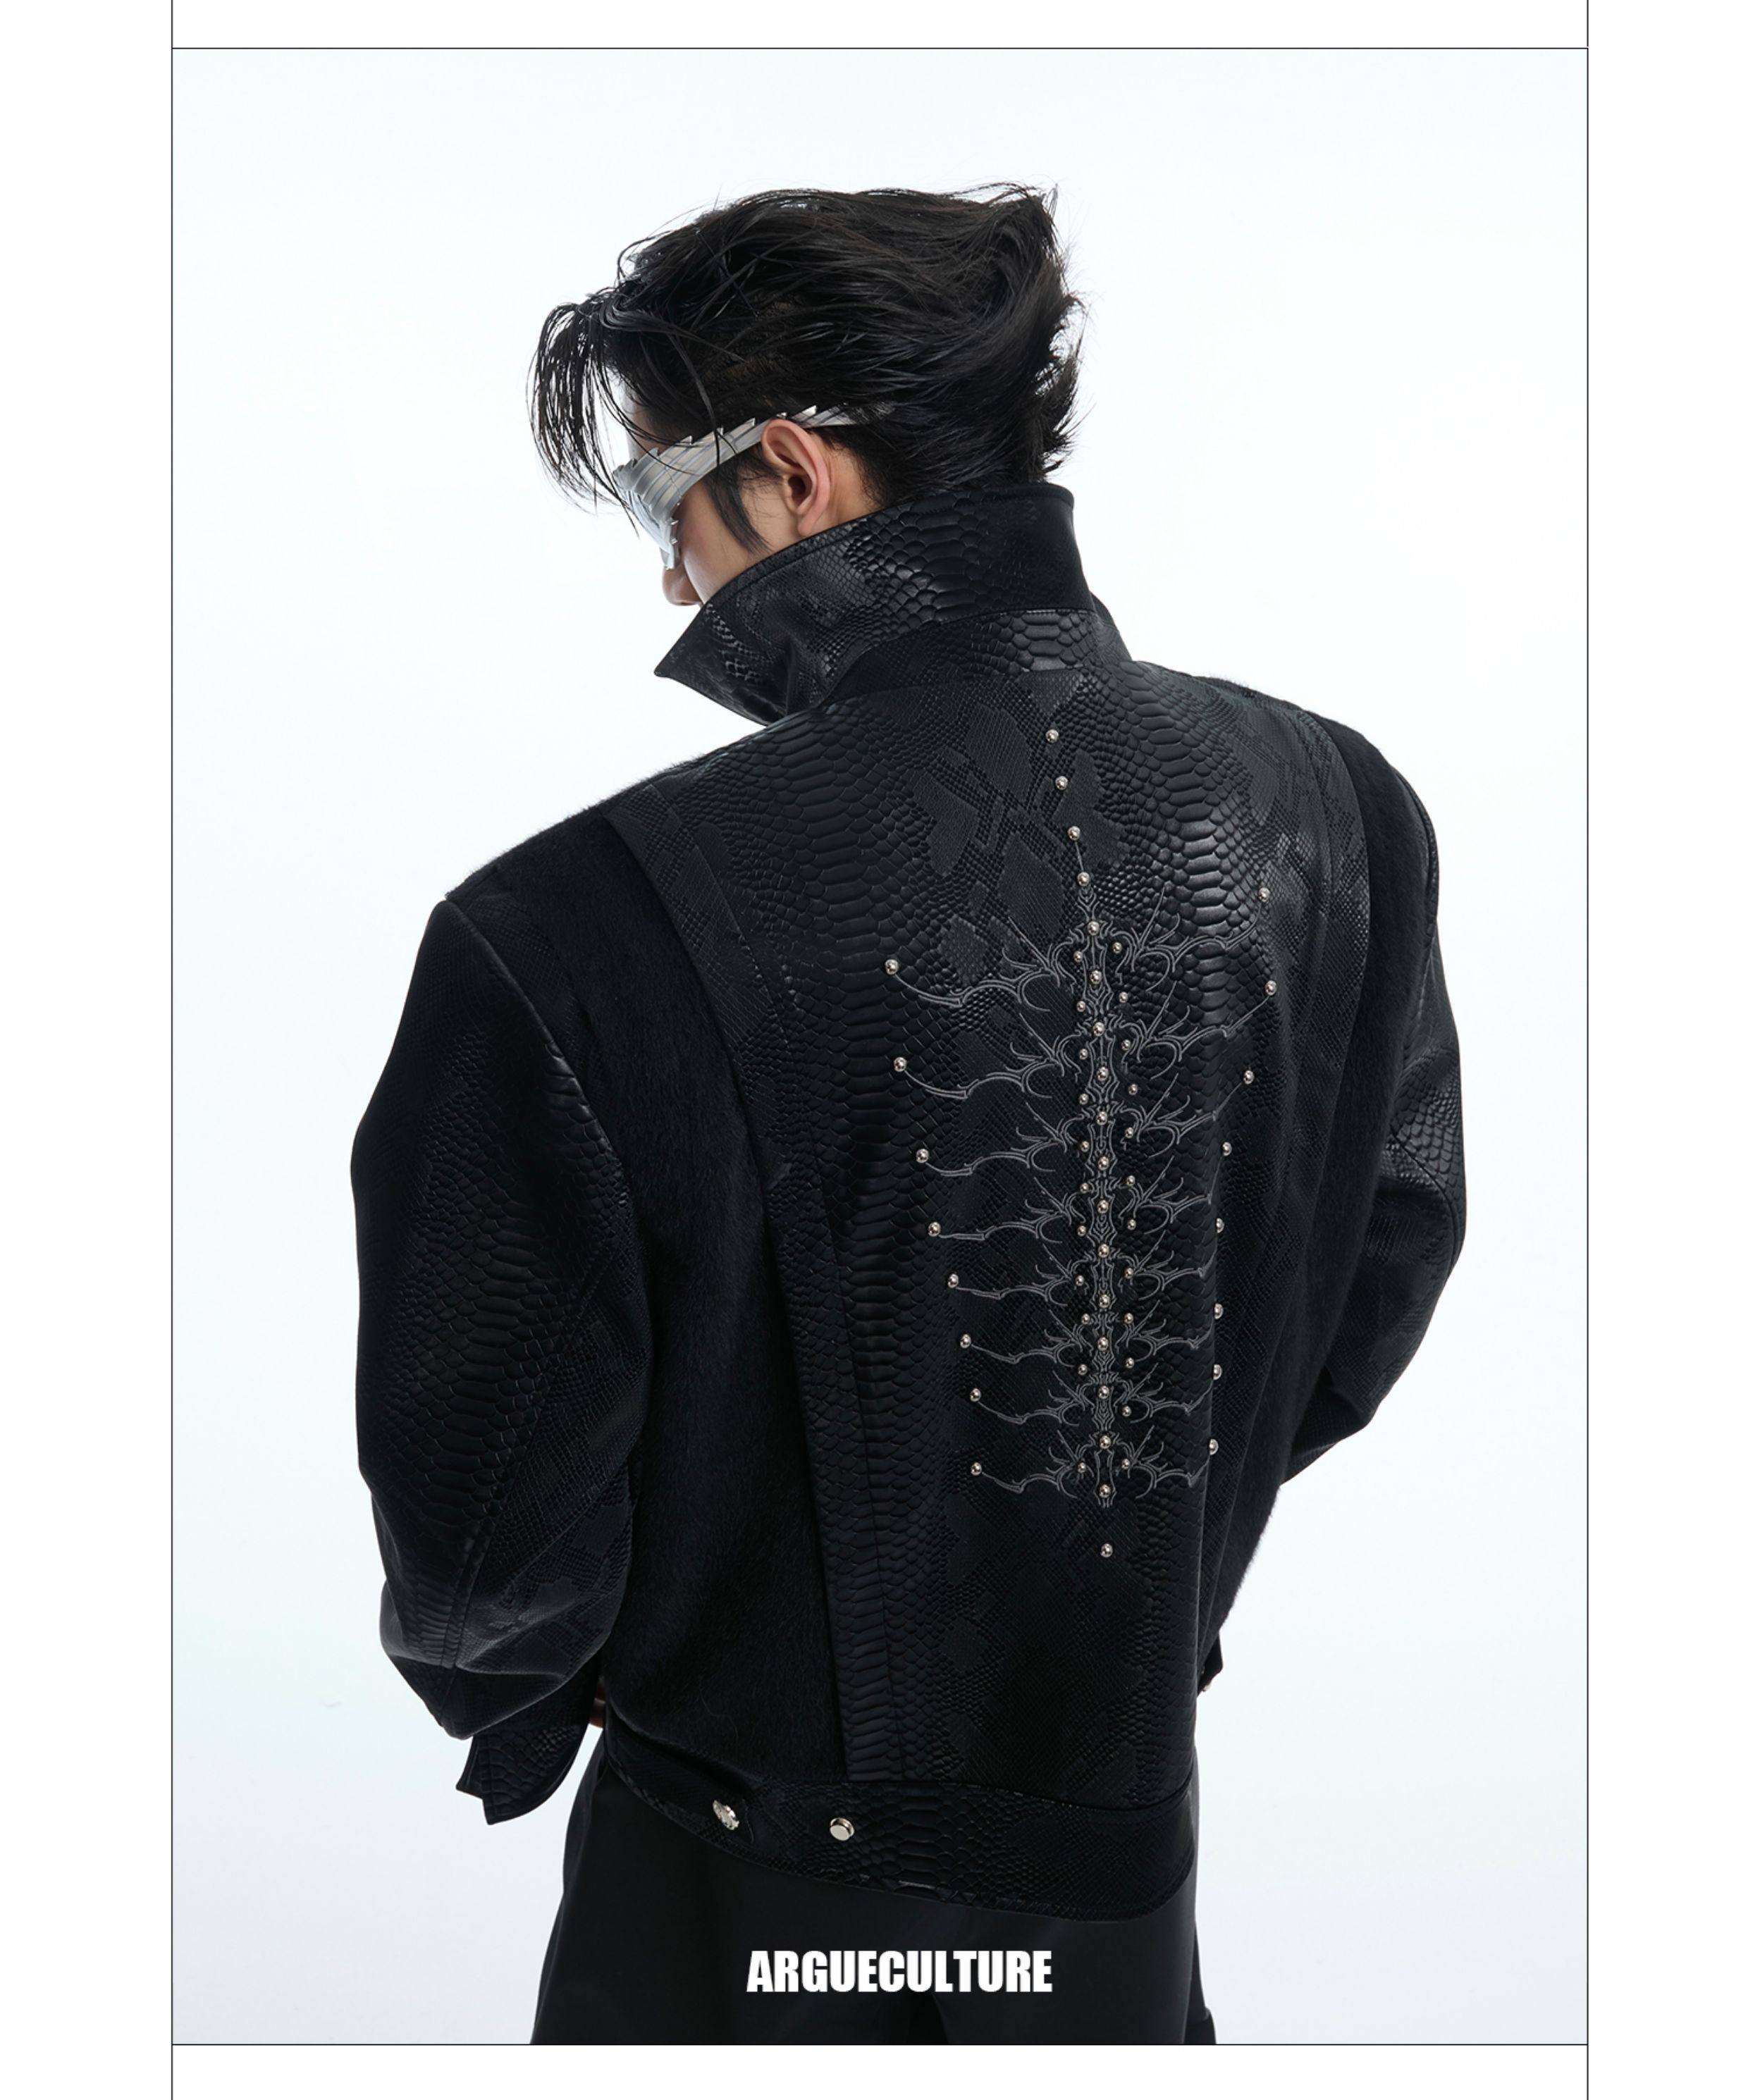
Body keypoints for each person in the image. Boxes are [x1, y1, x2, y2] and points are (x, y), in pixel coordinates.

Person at [351, 183, 1466, 2044]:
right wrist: (1120, 1571)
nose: (671, 576)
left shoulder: (565, 928)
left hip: (729, 1904)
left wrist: (539, 1696)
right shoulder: (1343, 812)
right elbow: (1382, 1261)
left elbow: (482, 1531)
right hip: (1122, 1893)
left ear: (793, 473)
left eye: (662, 500)